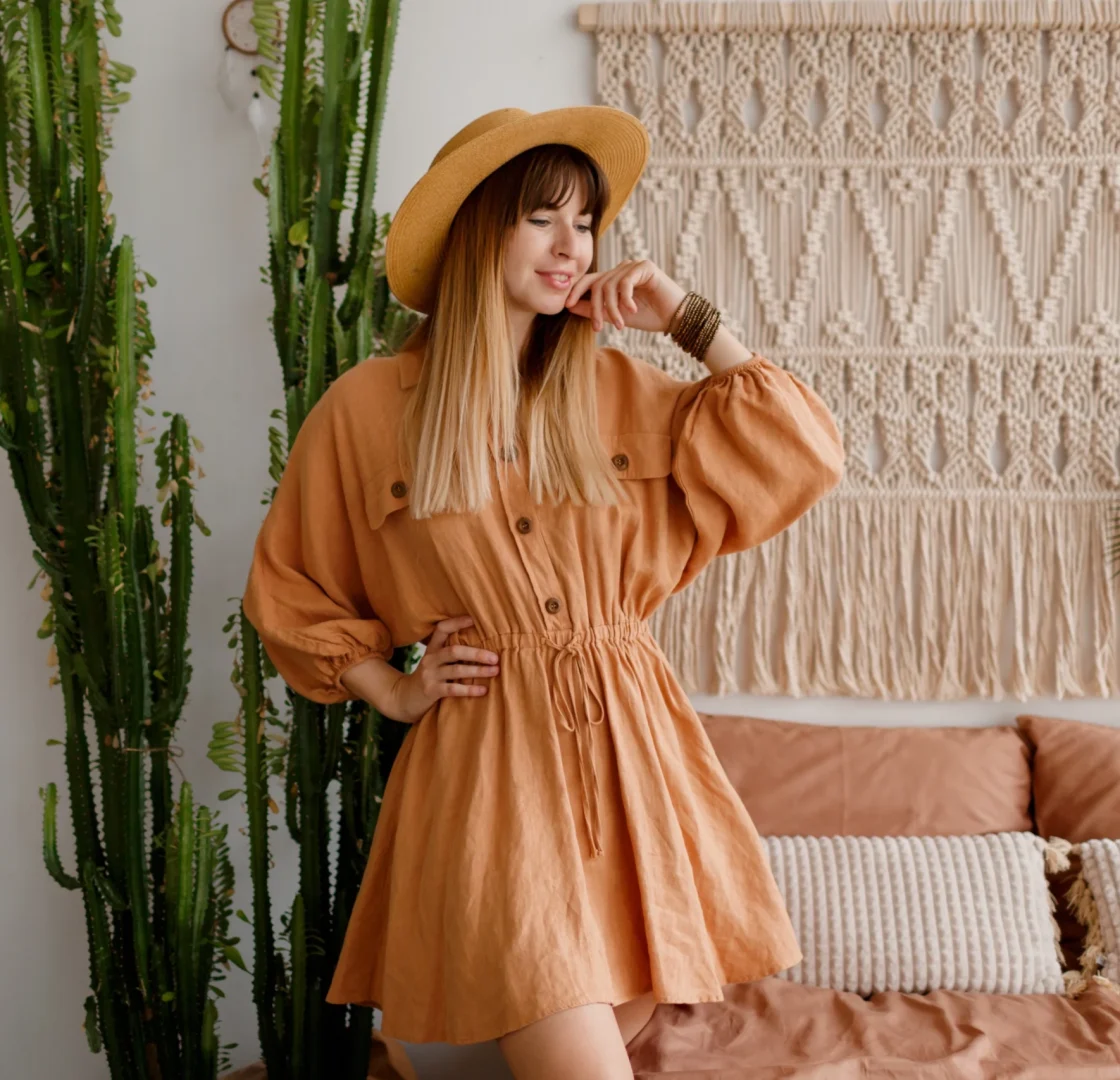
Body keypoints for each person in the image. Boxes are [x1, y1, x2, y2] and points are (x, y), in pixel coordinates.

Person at [242, 105, 845, 1079]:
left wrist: (689, 321)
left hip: (634, 759)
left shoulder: (617, 391)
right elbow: (288, 589)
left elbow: (804, 457)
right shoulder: (366, 411)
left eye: (586, 222)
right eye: (541, 218)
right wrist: (394, 689)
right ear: (481, 227)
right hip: (489, 776)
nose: (573, 247)